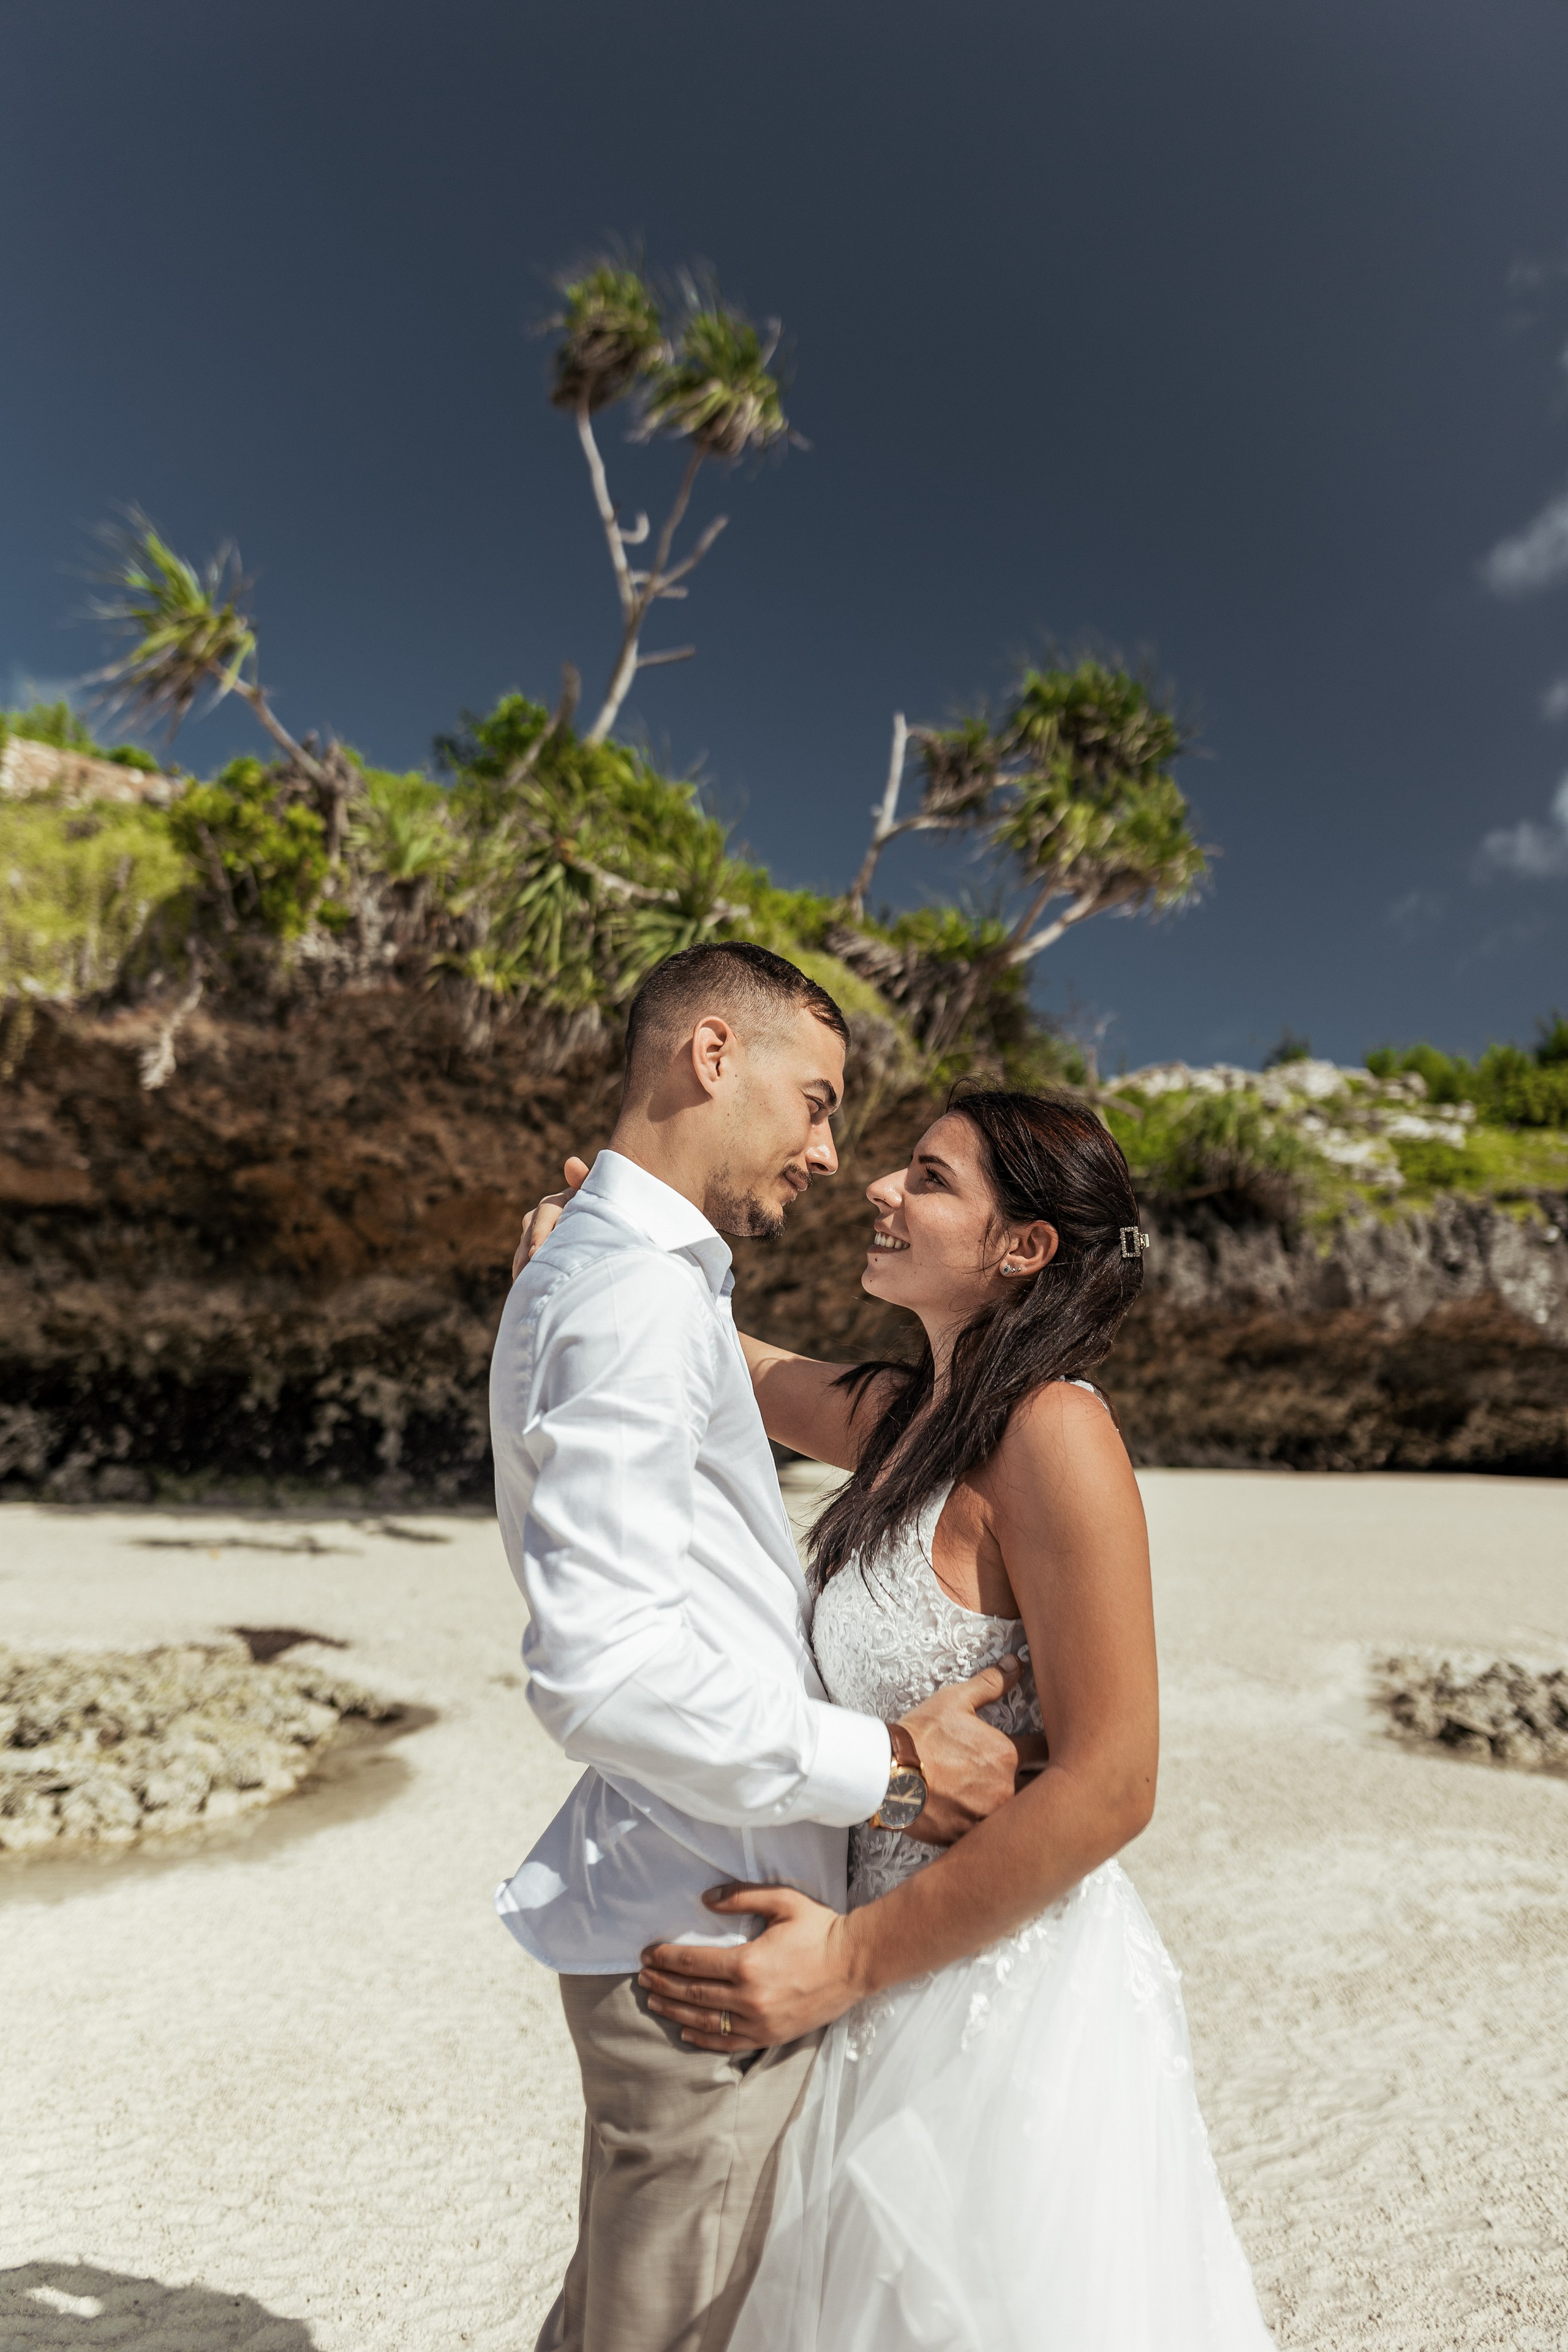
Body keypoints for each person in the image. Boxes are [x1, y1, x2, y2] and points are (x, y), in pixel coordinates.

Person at [516, 1079, 1278, 2350]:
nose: (877, 1186)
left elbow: (1112, 1782)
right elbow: (720, 1352)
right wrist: (594, 1230)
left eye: (927, 1179)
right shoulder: (902, 1422)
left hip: (985, 1983)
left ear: (1019, 1248)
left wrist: (849, 1965)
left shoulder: (1054, 1435)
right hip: (860, 1956)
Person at [491, 942, 1025, 2352]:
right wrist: (899, 1775)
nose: (835, 1154)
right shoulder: (621, 1291)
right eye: (821, 1099)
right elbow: (597, 1673)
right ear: (711, 1058)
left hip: (734, 1925)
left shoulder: (642, 1284)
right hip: (708, 1947)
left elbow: (746, 1374)